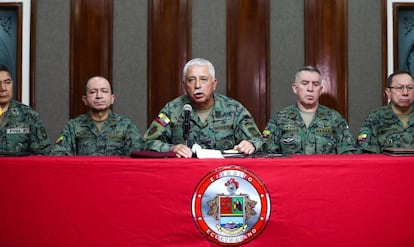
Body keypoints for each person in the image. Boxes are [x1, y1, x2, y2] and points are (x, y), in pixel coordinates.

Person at [143, 58, 263, 158]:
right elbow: (147, 143)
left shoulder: (234, 109)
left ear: (214, 84)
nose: (198, 85)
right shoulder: (172, 110)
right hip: (184, 174)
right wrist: (171, 148)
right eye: (191, 80)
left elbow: (259, 141)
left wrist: (251, 144)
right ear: (184, 85)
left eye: (203, 79)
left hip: (221, 176)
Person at [263, 65, 357, 155]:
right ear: (295, 88)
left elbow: (348, 153)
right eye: (305, 83)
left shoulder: (335, 119)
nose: (310, 89)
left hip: (326, 171)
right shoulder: (280, 118)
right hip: (291, 171)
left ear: (320, 90)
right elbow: (267, 154)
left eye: (315, 84)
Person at [51, 76, 144, 155]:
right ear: (85, 99)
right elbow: (58, 154)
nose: (99, 96)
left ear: (112, 98)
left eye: (104, 91)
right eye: (93, 92)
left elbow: (137, 154)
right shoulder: (73, 126)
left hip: (115, 175)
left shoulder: (126, 125)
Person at [357, 71, 414, 153]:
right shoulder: (375, 119)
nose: (405, 93)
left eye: (410, 88)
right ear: (388, 92)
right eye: (399, 88)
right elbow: (364, 154)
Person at [0, 64, 51, 154]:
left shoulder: (28, 115)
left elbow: (43, 154)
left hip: (18, 168)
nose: (3, 88)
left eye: (7, 82)